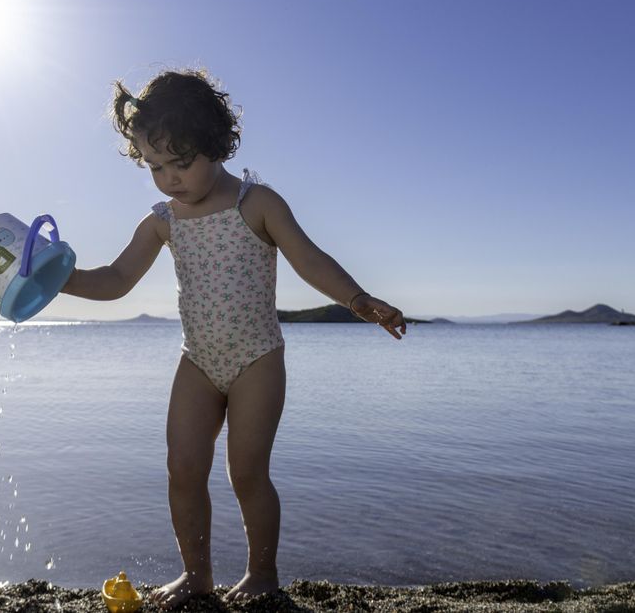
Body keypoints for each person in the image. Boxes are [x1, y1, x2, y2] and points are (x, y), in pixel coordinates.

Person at [60, 69, 406, 608]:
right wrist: (62, 280)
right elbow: (115, 280)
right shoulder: (161, 221)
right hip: (197, 361)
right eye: (155, 166)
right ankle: (197, 577)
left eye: (181, 162)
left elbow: (309, 259)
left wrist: (358, 300)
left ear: (216, 145)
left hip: (256, 359)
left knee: (246, 473)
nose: (170, 178)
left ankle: (262, 575)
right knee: (183, 469)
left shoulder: (256, 202)